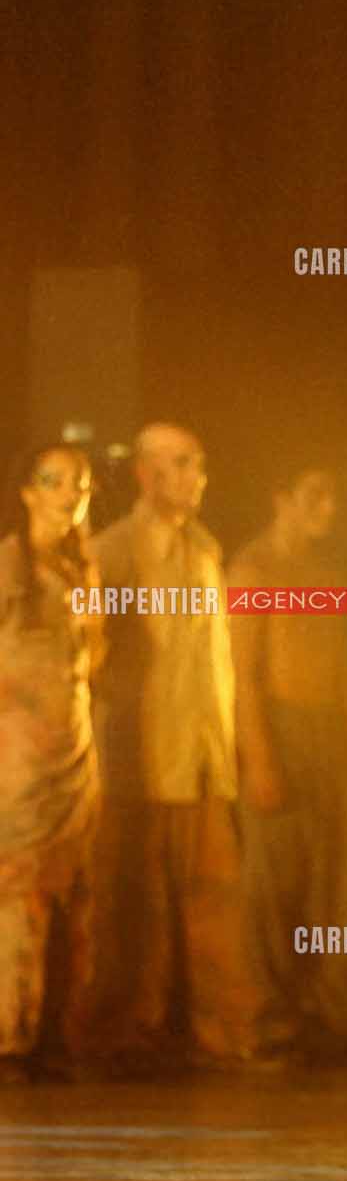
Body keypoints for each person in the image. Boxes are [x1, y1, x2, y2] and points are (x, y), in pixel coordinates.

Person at [79, 423, 277, 1073]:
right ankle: (117, 1037)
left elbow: (215, 662)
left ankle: (229, 1035)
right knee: (127, 901)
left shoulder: (206, 549)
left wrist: (229, 751)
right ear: (145, 473)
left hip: (199, 757)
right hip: (134, 757)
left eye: (198, 463)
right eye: (181, 464)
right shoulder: (109, 553)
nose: (198, 476)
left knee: (216, 896)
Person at [227, 465, 347, 1059]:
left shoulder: (326, 574)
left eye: (333, 495)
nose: (328, 507)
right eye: (315, 494)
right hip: (278, 734)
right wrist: (260, 760)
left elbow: (340, 679)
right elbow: (243, 679)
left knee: (343, 879)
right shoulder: (252, 569)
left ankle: (342, 1015)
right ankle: (273, 1022)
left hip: (330, 738)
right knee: (275, 881)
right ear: (280, 497)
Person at [0, 444, 103, 1081]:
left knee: (74, 891)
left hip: (75, 752)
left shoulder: (82, 573)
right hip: (17, 756)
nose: (68, 494)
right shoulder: (9, 566)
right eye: (54, 482)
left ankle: (61, 1033)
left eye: (80, 485)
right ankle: (11, 1036)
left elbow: (96, 659)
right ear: (28, 493)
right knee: (17, 892)